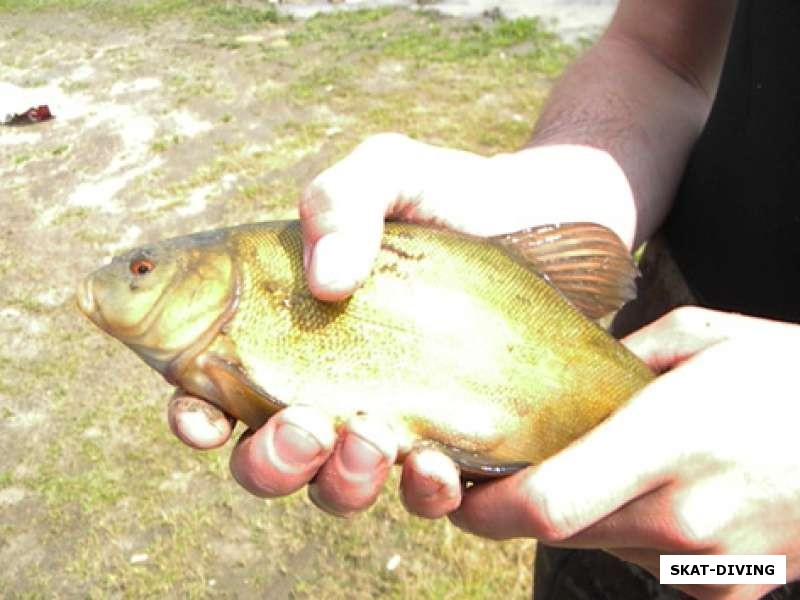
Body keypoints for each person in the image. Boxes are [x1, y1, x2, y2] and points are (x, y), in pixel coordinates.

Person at [166, 1, 800, 598]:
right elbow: (660, 55)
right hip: (658, 384)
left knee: (745, 573)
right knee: (625, 547)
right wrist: (542, 201)